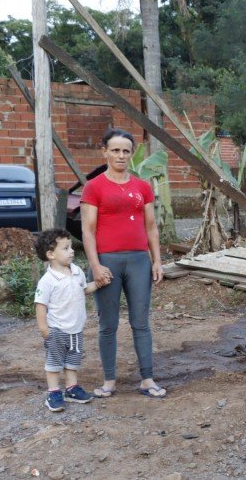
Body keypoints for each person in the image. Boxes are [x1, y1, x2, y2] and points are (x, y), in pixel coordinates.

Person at [80, 127, 166, 399]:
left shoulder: (142, 187)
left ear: (131, 154)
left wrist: (157, 261)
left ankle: (147, 379)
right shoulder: (94, 187)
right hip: (108, 262)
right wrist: (95, 266)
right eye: (115, 150)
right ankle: (109, 381)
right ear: (104, 151)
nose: (120, 155)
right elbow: (88, 231)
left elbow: (151, 228)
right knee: (108, 325)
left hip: (139, 261)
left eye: (126, 151)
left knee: (141, 322)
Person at [34, 228, 101, 412]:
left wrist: (97, 283)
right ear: (51, 254)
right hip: (56, 330)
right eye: (65, 248)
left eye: (71, 247)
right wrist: (44, 329)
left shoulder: (77, 271)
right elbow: (40, 305)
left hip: (76, 328)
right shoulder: (47, 281)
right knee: (54, 363)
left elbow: (83, 289)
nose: (72, 251)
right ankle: (54, 393)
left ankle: (71, 388)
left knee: (73, 360)